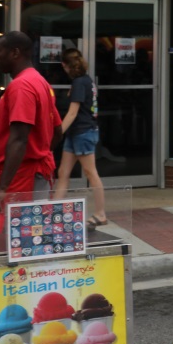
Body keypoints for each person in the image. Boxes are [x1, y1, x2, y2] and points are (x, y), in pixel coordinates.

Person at [0, 32, 63, 219]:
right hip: (35, 174)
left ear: (15, 53)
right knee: (35, 231)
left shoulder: (22, 86)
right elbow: (57, 131)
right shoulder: (40, 81)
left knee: (21, 233)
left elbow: (19, 139)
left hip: (22, 178)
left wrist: (1, 189)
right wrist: (40, 151)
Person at [52, 48, 108, 227]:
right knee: (63, 172)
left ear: (65, 65)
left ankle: (100, 214)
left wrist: (57, 133)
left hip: (82, 132)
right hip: (78, 132)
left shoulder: (78, 83)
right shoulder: (87, 80)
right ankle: (54, 211)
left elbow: (72, 113)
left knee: (90, 172)